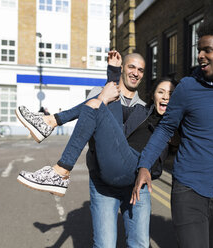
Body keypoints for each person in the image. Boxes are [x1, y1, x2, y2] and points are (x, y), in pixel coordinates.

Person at [130, 15, 213, 248]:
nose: (200, 56)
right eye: (199, 50)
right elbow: (165, 129)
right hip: (189, 189)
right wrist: (144, 165)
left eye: (207, 50)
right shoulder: (187, 87)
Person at [16, 51, 177, 248]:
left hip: (135, 177)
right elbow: (114, 129)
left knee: (140, 243)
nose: (136, 72)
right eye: (161, 92)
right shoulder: (138, 109)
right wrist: (110, 81)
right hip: (106, 177)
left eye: (141, 70)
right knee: (96, 101)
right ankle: (51, 129)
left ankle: (52, 132)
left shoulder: (156, 116)